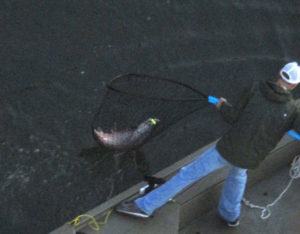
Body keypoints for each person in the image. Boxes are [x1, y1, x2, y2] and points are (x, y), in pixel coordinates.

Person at [116, 62, 300, 227]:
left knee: (188, 174)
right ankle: (230, 216)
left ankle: (144, 206)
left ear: (279, 73)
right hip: (251, 157)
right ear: (295, 85)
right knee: (237, 176)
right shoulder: (293, 109)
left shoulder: (255, 88)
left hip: (227, 149)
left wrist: (222, 105)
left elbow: (233, 116)